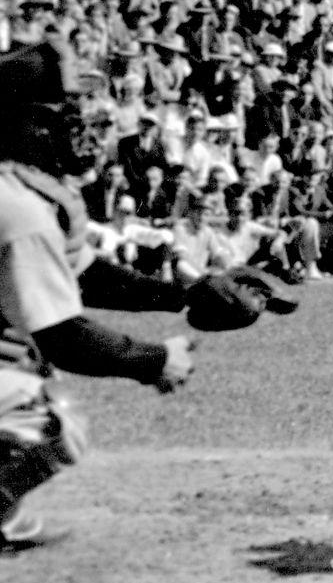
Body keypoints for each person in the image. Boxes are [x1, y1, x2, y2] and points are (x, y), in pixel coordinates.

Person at [0, 44, 197, 550]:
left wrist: (187, 294)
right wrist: (155, 360)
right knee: (44, 419)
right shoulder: (16, 207)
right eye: (61, 117)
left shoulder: (16, 191)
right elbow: (61, 335)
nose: (76, 128)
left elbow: (85, 275)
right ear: (28, 126)